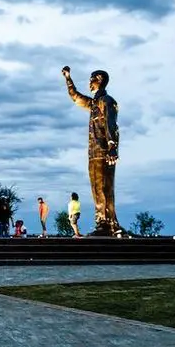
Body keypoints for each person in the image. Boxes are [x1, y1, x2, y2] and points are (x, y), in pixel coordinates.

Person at [62, 65, 122, 236]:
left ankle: (104, 223)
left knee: (102, 188)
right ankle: (110, 223)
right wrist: (68, 78)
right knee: (101, 188)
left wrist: (112, 146)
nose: (89, 83)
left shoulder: (106, 101)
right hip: (96, 152)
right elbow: (76, 97)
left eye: (92, 79)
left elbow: (111, 123)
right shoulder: (94, 103)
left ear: (100, 81)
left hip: (102, 151)